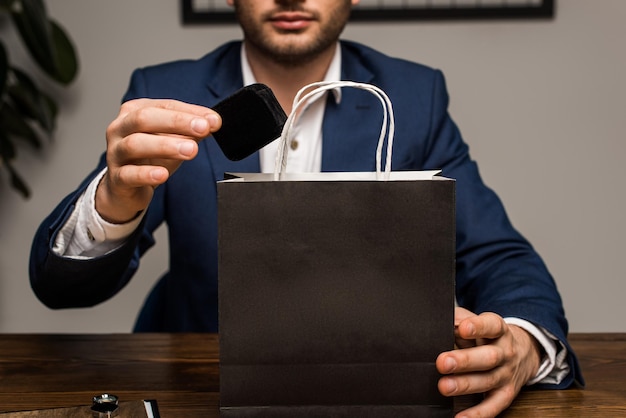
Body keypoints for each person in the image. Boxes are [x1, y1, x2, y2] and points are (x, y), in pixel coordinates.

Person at [29, 0, 583, 416]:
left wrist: (525, 343)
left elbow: (497, 253)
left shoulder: (413, 98)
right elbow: (59, 287)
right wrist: (114, 199)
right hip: (207, 397)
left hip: (376, 395)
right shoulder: (166, 91)